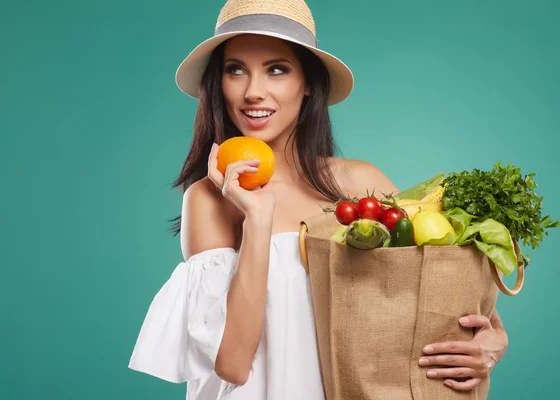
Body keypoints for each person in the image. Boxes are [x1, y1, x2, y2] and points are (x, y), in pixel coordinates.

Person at [128, 1, 509, 399]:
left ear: (307, 83)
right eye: (235, 69)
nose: (253, 91)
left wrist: (493, 343)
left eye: (276, 69)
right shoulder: (208, 199)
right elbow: (233, 365)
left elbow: (444, 292)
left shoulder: (361, 182)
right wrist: (257, 218)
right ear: (217, 83)